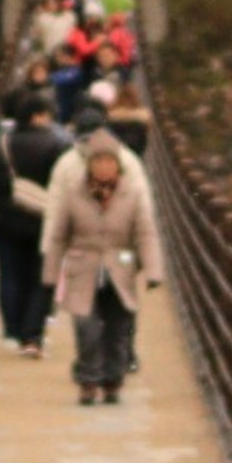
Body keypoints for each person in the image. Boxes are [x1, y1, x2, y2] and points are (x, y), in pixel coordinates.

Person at [41, 128, 163, 406]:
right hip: (83, 267)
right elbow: (59, 235)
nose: (104, 167)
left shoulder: (132, 194)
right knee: (86, 328)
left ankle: (112, 379)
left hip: (120, 268)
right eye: (98, 161)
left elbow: (146, 232)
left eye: (109, 161)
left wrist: (153, 270)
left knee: (119, 328)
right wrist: (50, 273)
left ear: (118, 164)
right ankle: (87, 379)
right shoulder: (74, 193)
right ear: (89, 164)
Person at [0, 87, 70, 354]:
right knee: (41, 277)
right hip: (45, 219)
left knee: (9, 274)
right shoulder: (59, 145)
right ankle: (32, 333)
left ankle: (12, 330)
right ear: (38, 116)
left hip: (6, 218)